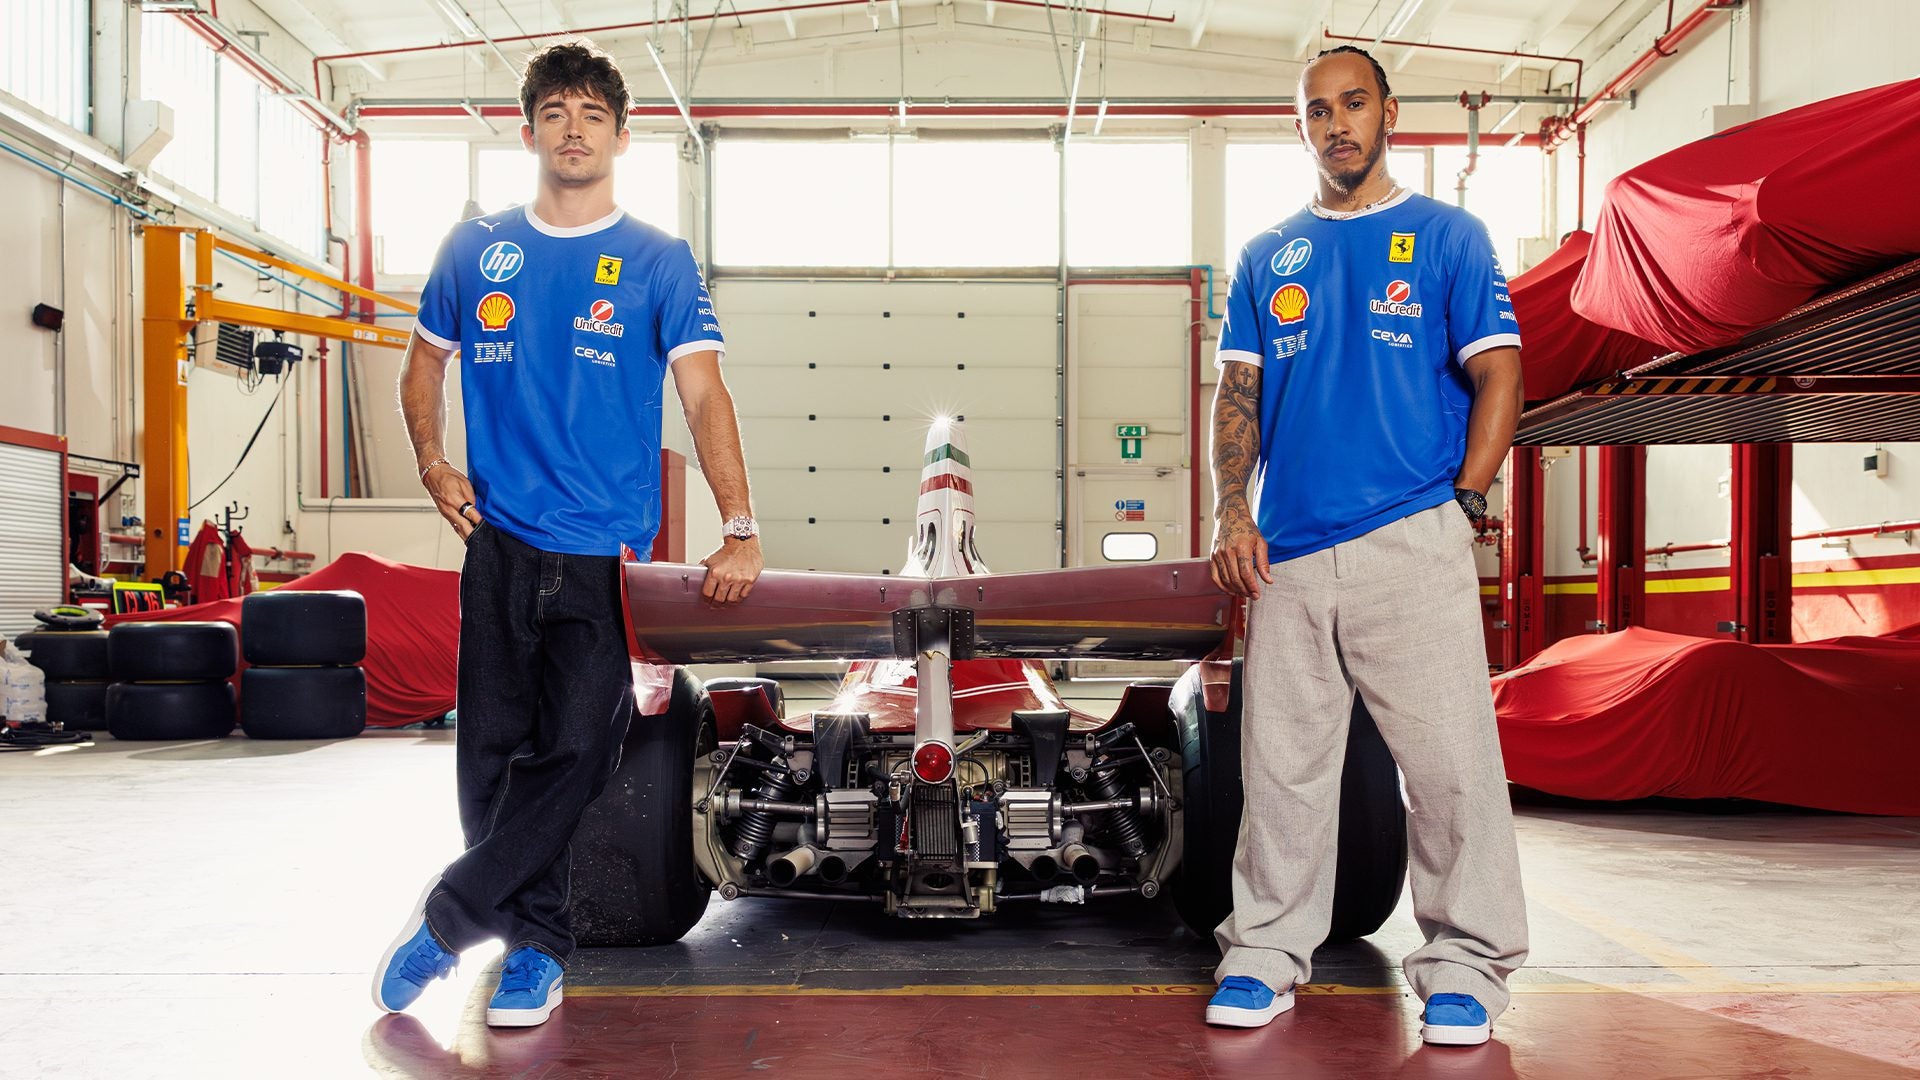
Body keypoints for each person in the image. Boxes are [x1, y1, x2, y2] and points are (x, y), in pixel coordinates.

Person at [375, 40, 763, 1028]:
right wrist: (431, 460)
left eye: (593, 113)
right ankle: (536, 951)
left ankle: (451, 918)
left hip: (603, 557)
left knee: (582, 751)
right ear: (529, 129)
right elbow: (421, 370)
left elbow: (705, 396)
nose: (575, 128)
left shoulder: (657, 262)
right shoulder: (476, 249)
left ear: (623, 136)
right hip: (497, 543)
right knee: (492, 761)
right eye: (556, 111)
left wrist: (740, 524)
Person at [1201, 45, 1529, 1046]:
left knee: (1448, 769)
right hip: (1290, 553)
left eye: (1353, 104)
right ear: (1299, 127)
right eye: (1316, 110)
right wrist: (1230, 510)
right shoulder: (1269, 255)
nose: (1337, 124)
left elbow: (1502, 373)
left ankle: (1467, 963)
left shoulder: (1449, 238)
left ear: (1389, 111)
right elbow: (1240, 396)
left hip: (1411, 539)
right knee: (1285, 773)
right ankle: (1262, 953)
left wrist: (1466, 499)